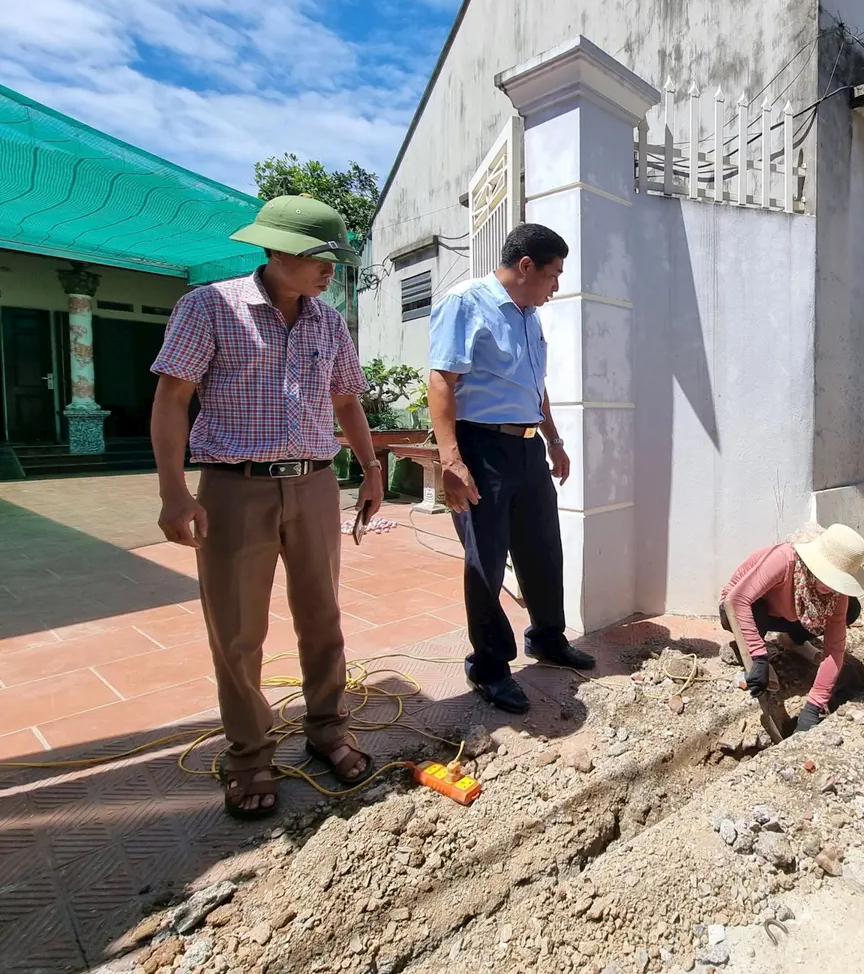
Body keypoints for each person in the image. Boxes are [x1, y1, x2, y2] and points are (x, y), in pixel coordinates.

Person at [150, 195, 384, 820]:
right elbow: (172, 399)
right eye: (319, 257)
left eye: (337, 258)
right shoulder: (209, 307)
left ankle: (328, 727)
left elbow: (346, 402)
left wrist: (370, 469)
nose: (331, 270)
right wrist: (175, 491)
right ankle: (250, 754)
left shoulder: (329, 322)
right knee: (238, 629)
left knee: (322, 614)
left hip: (312, 486)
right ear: (277, 249)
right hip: (234, 488)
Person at [428, 222, 594, 714]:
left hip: (525, 449)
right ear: (526, 267)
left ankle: (547, 638)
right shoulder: (466, 302)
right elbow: (441, 382)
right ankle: (490, 666)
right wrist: (451, 459)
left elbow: (534, 385)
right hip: (481, 447)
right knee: (486, 560)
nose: (556, 287)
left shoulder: (528, 315)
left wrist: (554, 439)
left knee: (542, 546)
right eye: (553, 275)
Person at [719, 524, 864, 733]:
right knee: (755, 610)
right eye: (828, 576)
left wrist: (814, 706)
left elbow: (835, 651)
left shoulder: (836, 594)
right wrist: (759, 656)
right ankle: (751, 648)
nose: (831, 586)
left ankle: (791, 641)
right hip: (743, 609)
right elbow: (737, 600)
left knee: (851, 609)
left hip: (788, 614)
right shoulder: (785, 560)